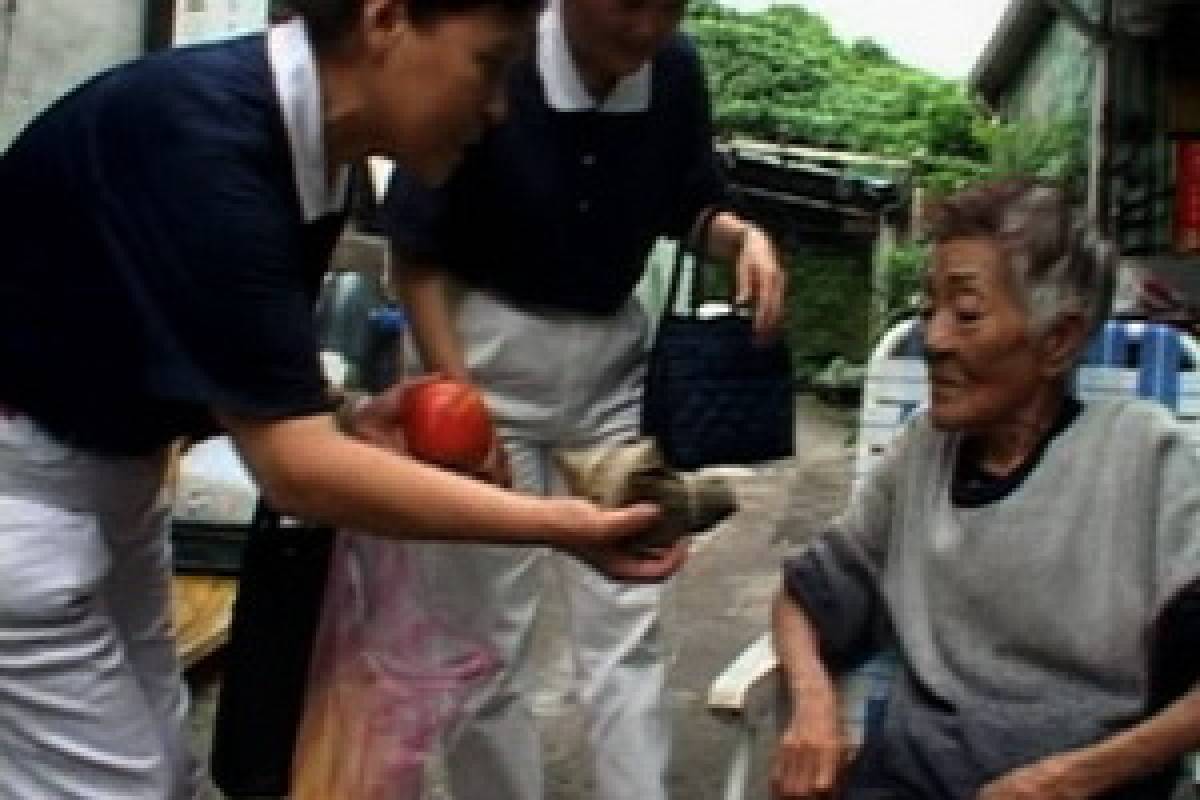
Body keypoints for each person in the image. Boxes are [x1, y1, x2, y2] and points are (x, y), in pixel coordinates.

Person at [0, 1, 687, 797]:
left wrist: (344, 412)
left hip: (111, 489)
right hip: (24, 500)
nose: (499, 106)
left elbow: (205, 337)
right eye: (490, 65)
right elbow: (297, 471)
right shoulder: (204, 138)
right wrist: (561, 525)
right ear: (387, 19)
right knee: (127, 784)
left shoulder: (311, 152)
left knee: (166, 767)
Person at [379, 0, 787, 797]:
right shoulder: (494, 56)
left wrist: (742, 237)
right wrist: (458, 401)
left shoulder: (672, 70)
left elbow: (690, 202)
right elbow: (416, 254)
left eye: (666, 6)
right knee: (485, 638)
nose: (645, 28)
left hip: (610, 365)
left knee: (626, 619)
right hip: (479, 355)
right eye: (625, 5)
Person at [769, 178, 1200, 800]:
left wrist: (1071, 779)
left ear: (1058, 341)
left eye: (966, 314)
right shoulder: (920, 452)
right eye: (928, 309)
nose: (934, 339)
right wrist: (812, 704)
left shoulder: (1144, 456)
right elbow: (803, 598)